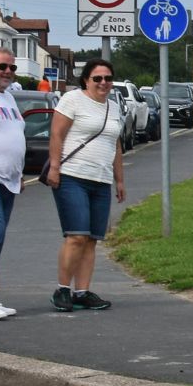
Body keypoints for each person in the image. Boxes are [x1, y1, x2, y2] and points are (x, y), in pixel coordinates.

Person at [46, 58, 126, 312]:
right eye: (97, 78)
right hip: (72, 176)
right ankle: (62, 289)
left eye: (108, 78)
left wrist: (119, 179)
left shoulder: (113, 108)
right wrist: (55, 168)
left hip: (101, 180)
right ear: (86, 80)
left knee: (91, 239)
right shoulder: (72, 100)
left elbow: (116, 145)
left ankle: (82, 291)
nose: (103, 83)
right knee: (76, 236)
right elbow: (57, 133)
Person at [0, 48, 24, 320]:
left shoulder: (9, 98)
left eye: (12, 68)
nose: (8, 72)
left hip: (8, 182)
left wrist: (18, 174)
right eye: (3, 66)